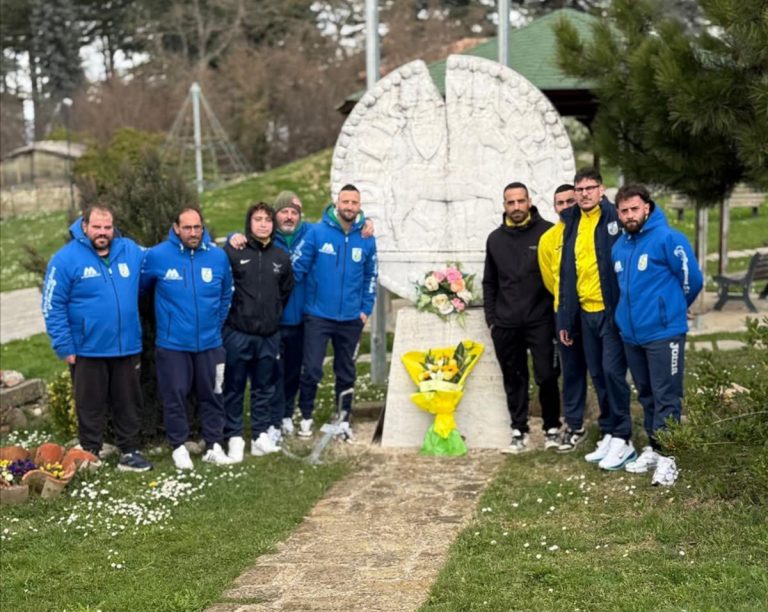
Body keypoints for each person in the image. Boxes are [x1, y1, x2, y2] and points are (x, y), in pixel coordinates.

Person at [227, 192, 376, 442]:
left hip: (301, 319)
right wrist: (233, 236)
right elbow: (244, 245)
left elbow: (344, 223)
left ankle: (287, 416)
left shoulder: (310, 232)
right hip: (272, 322)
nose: (289, 216)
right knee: (272, 373)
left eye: (294, 212)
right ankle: (272, 421)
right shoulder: (266, 238)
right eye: (284, 211)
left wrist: (366, 220)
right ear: (275, 215)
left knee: (295, 371)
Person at [41, 205, 152, 472]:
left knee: (128, 402)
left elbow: (166, 256)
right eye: (97, 227)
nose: (103, 232)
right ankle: (90, 452)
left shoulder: (130, 250)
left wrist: (217, 241)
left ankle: (129, 452)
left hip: (126, 346)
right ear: (84, 226)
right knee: (90, 404)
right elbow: (52, 305)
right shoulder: (65, 259)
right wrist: (64, 345)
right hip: (87, 348)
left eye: (107, 227)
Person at [611, 184, 702, 486]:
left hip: (665, 333)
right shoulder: (619, 247)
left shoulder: (668, 238)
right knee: (647, 394)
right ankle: (654, 446)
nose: (629, 215)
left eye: (634, 209)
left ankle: (669, 458)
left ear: (646, 207)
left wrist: (673, 309)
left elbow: (693, 279)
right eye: (623, 210)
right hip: (632, 337)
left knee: (667, 396)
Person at [141, 206, 234, 470]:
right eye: (188, 227)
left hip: (211, 343)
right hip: (173, 345)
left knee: (214, 393)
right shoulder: (158, 256)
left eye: (198, 227)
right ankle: (178, 446)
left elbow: (226, 293)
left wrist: (215, 324)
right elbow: (141, 290)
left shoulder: (217, 257)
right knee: (175, 396)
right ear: (176, 228)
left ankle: (214, 444)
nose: (193, 233)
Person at [558, 168, 634, 471]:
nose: (585, 193)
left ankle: (624, 436)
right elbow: (567, 274)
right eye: (580, 189)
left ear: (601, 190)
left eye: (590, 187)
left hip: (611, 313)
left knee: (613, 373)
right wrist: (565, 319)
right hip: (585, 313)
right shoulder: (572, 221)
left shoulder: (614, 218)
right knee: (598, 376)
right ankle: (609, 430)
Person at [291, 184, 378, 441]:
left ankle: (343, 420)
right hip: (318, 315)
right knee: (312, 369)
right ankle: (305, 417)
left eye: (354, 202)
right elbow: (297, 268)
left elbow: (370, 275)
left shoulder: (366, 237)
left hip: (351, 318)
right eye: (345, 202)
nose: (349, 207)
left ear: (359, 206)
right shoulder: (317, 232)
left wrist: (365, 309)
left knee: (346, 371)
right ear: (336, 203)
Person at [483, 181, 561, 453]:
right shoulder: (495, 239)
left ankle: (552, 428)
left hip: (541, 321)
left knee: (547, 376)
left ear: (529, 201)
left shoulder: (548, 233)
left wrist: (555, 316)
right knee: (514, 378)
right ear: (504, 205)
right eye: (510, 202)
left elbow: (558, 277)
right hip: (505, 324)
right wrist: (492, 319)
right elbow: (489, 282)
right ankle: (519, 431)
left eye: (520, 201)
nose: (516, 207)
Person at [221, 202, 294, 460]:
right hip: (238, 333)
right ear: (249, 223)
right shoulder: (233, 251)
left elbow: (285, 291)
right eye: (257, 219)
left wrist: (271, 316)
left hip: (269, 336)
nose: (263, 224)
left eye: (267, 220)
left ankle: (260, 435)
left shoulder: (281, 258)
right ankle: (235, 437)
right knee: (234, 387)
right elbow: (223, 289)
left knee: (264, 388)